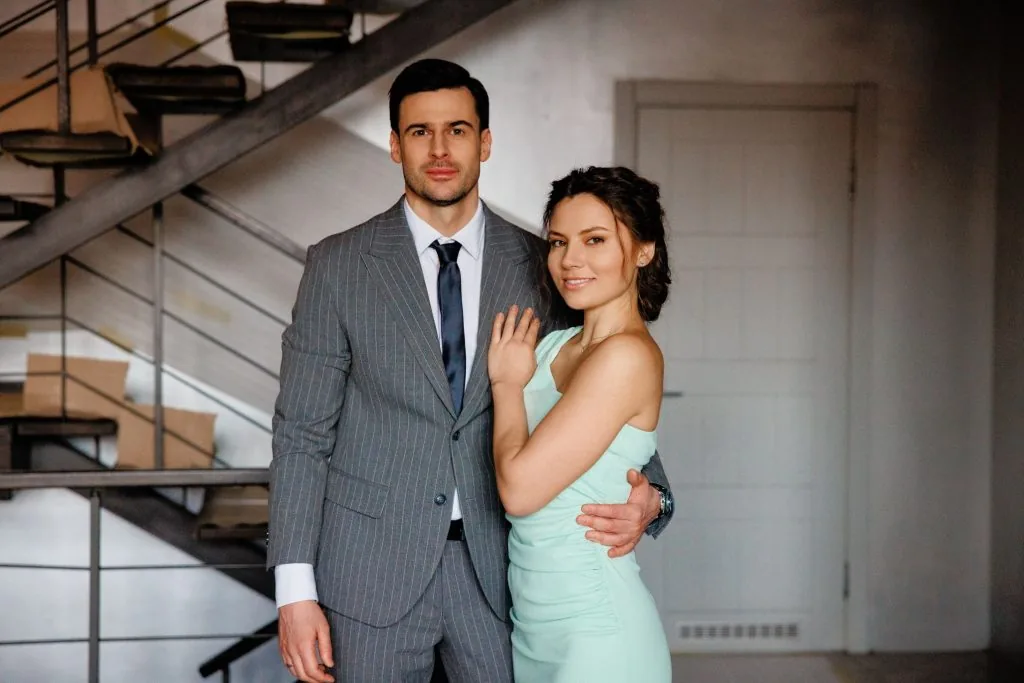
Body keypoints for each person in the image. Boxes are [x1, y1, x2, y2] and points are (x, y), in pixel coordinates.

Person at [267, 58, 675, 683]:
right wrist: (294, 591)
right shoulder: (338, 266)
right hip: (368, 574)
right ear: (395, 145)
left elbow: (598, 393)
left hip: (503, 578)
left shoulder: (547, 265)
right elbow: (302, 433)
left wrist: (655, 497)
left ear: (484, 143)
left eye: (456, 130)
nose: (439, 149)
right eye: (420, 131)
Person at [487, 166, 673, 681]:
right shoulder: (549, 346)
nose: (570, 260)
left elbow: (520, 491)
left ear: (643, 251)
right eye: (558, 242)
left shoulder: (628, 356)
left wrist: (505, 386)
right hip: (534, 626)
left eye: (595, 240)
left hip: (596, 626)